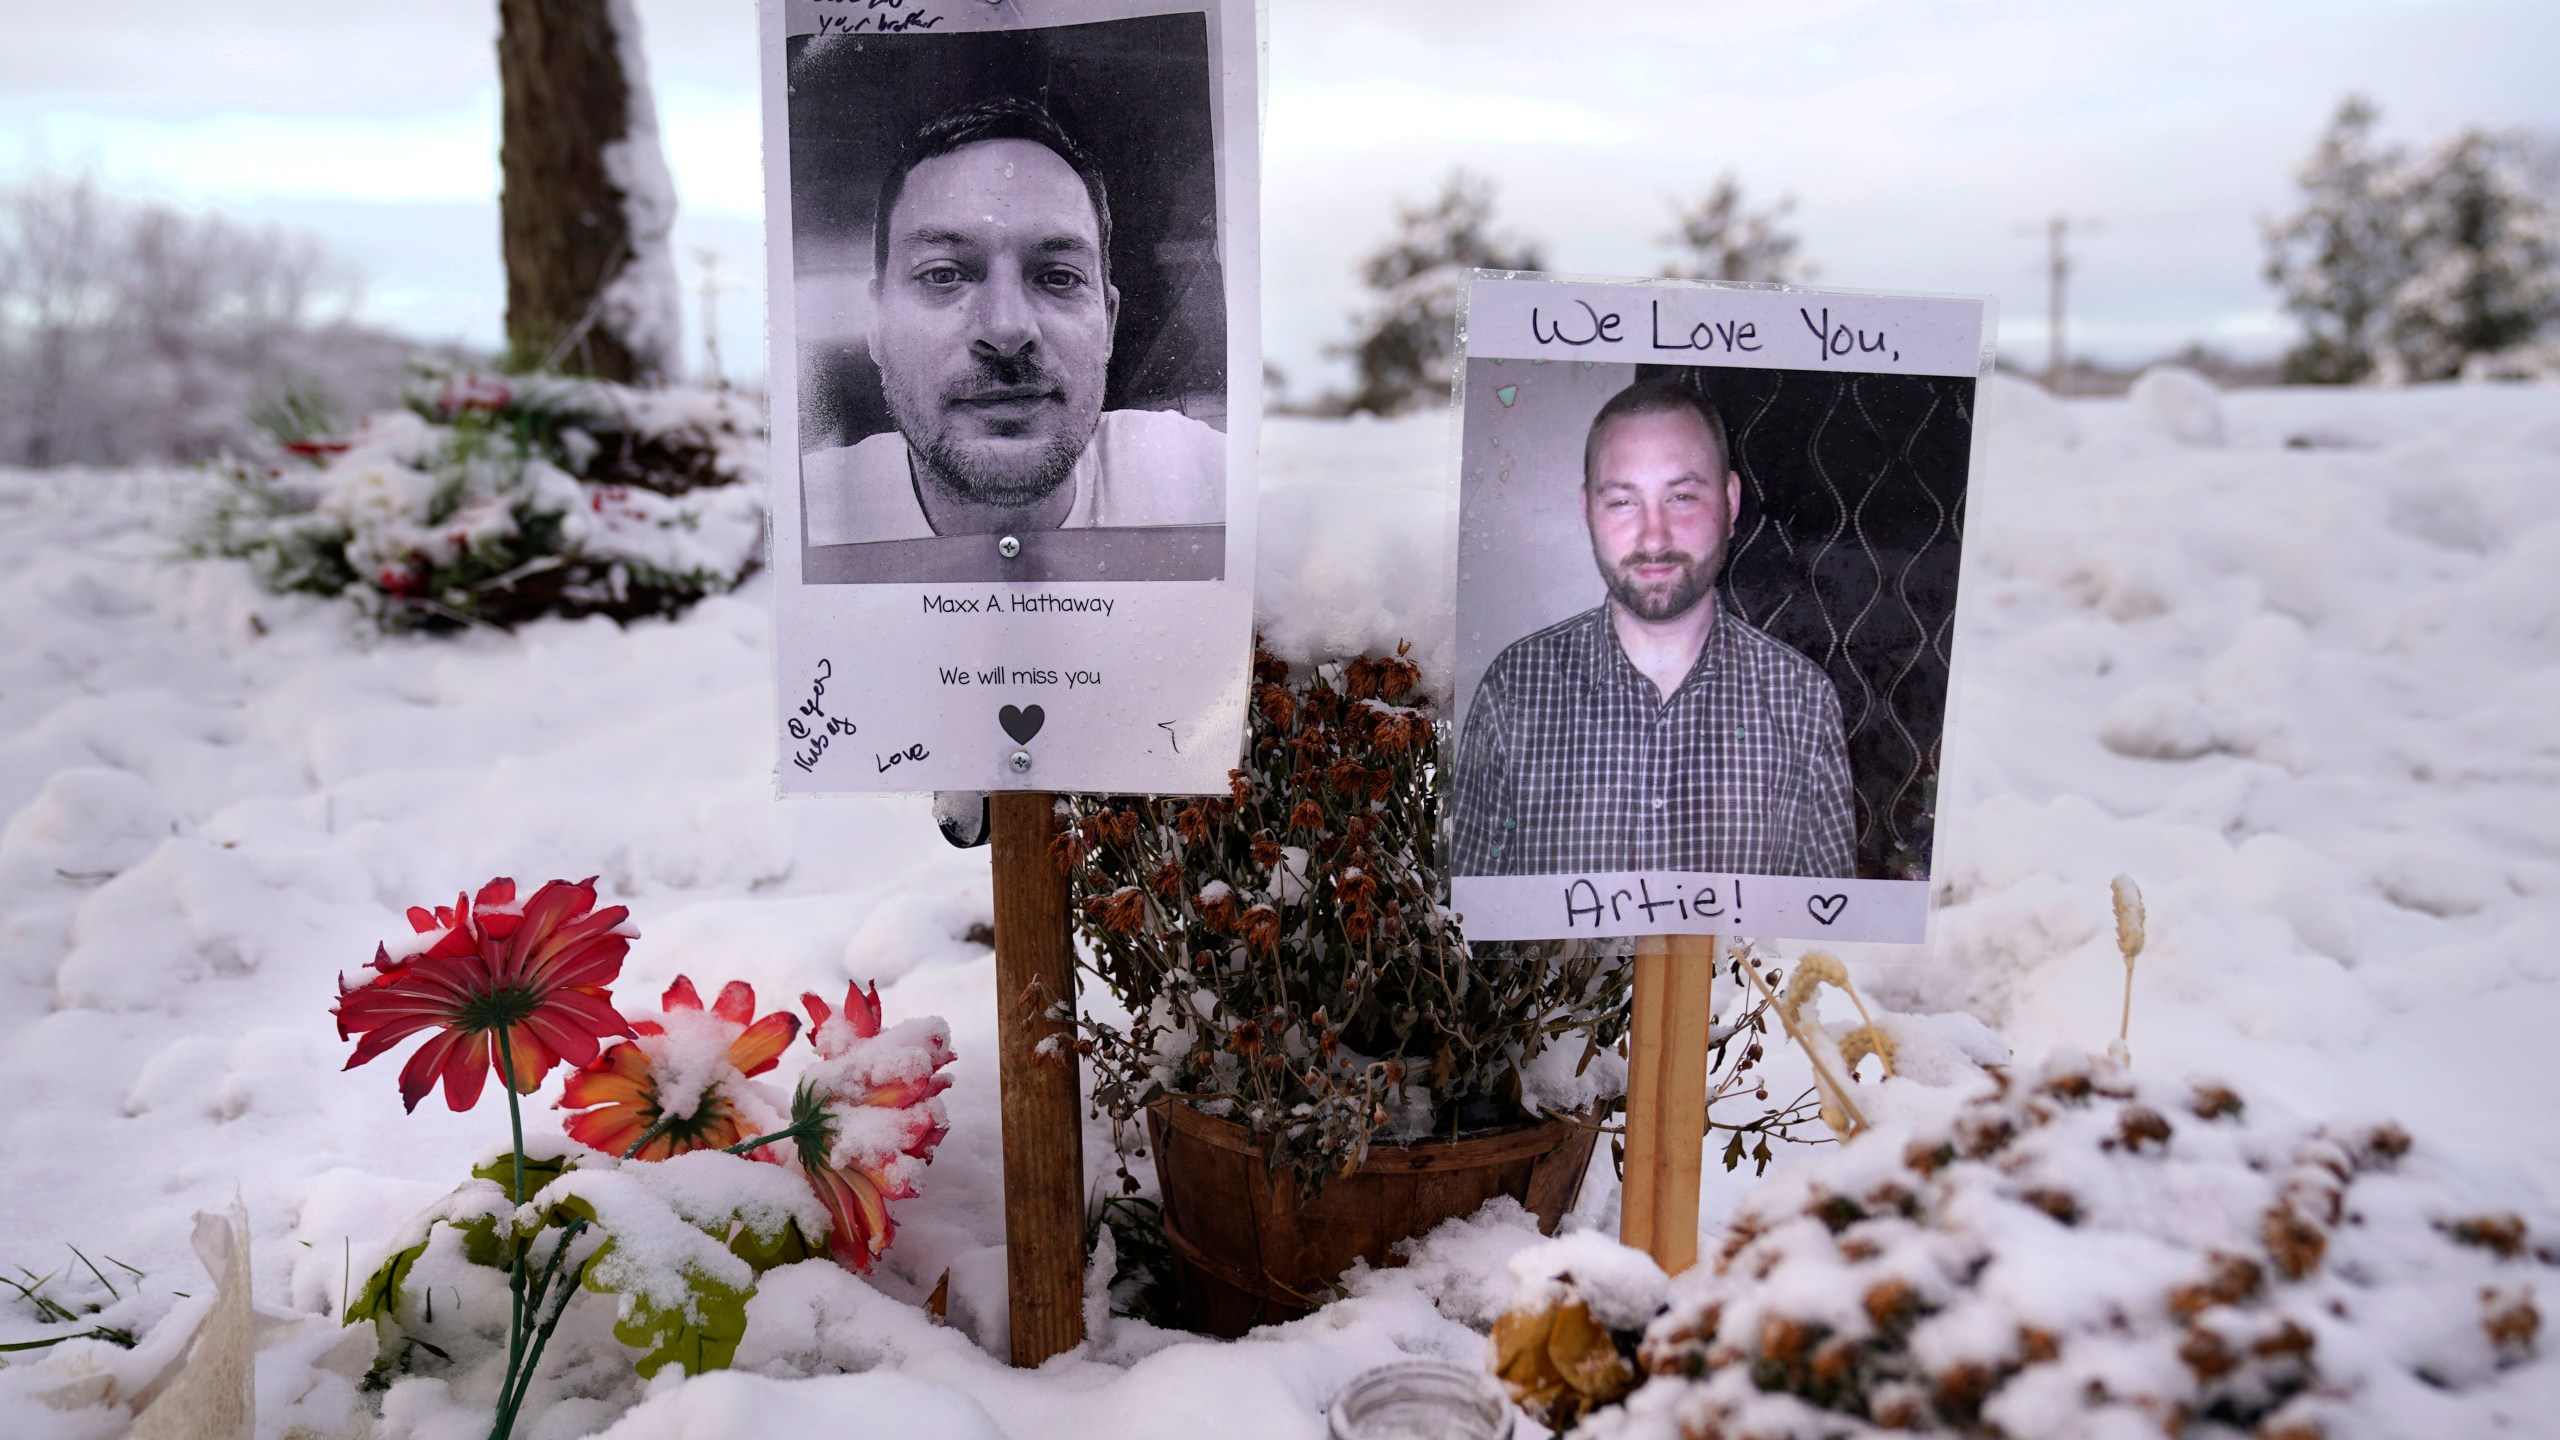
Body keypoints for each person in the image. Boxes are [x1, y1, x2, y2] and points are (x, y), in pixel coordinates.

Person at [1451, 377, 1855, 879]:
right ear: (1588, 512)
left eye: (1682, 496)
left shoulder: (1802, 700)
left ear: (1730, 502)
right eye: (1623, 501)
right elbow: (1459, 934)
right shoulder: (1514, 689)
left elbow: (1825, 942)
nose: (1654, 536)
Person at [802, 95, 1223, 546]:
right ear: (877, 325)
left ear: (1109, 322)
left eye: (1059, 277)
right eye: (942, 274)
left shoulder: (1206, 480)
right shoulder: (794, 521)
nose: (1006, 330)